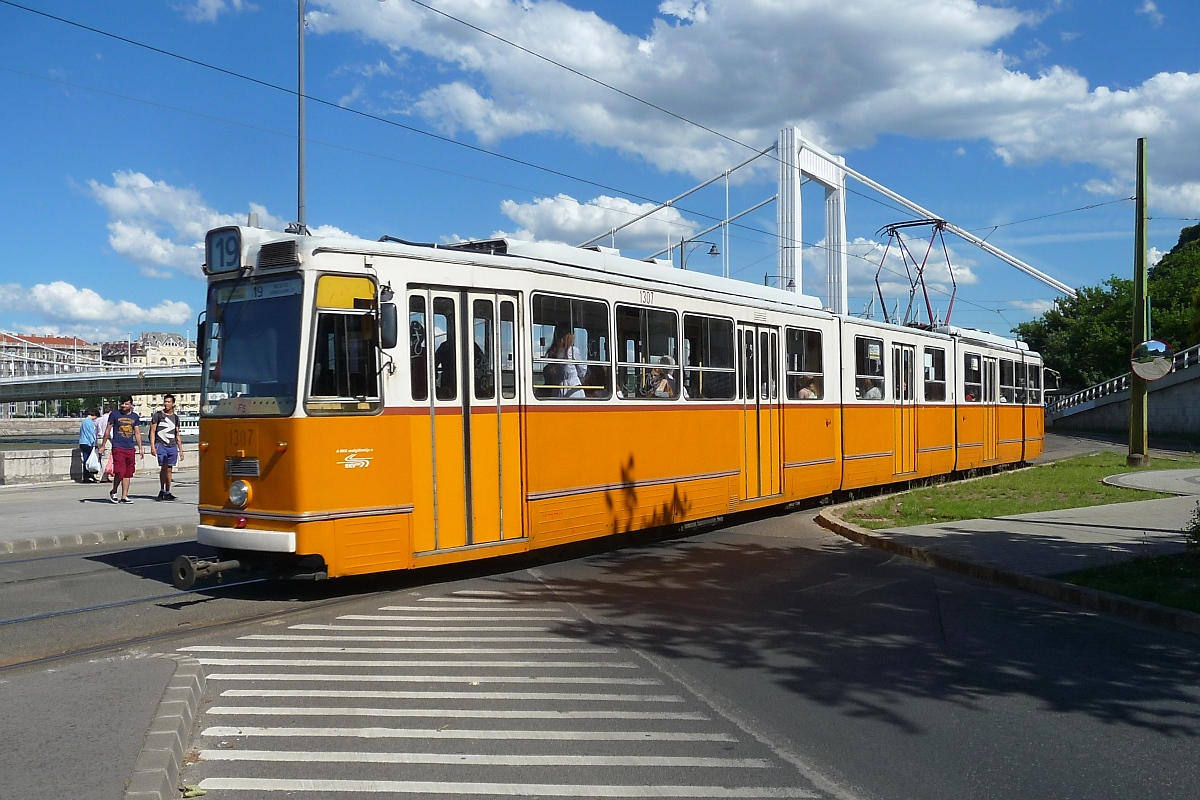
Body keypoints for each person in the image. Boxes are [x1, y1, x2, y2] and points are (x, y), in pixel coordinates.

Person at [99, 394, 143, 504]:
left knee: (128, 473)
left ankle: (124, 496)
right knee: (120, 472)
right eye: (122, 403)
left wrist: (140, 448)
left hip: (130, 448)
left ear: (131, 405)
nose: (124, 406)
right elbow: (108, 430)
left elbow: (137, 433)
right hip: (118, 447)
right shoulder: (114, 414)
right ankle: (114, 491)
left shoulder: (134, 417)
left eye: (126, 404)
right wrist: (103, 445)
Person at [150, 394, 182, 501]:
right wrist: (152, 446)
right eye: (165, 401)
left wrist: (181, 450)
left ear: (173, 404)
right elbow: (152, 431)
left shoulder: (175, 418)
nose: (166, 404)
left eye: (169, 402)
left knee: (169, 469)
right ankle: (162, 490)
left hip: (172, 446)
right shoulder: (158, 415)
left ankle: (168, 491)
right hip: (161, 444)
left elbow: (177, 434)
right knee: (163, 467)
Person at [546, 326, 587, 398]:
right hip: (572, 389)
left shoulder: (553, 352)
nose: (574, 336)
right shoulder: (573, 350)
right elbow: (582, 372)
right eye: (573, 333)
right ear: (568, 336)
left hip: (557, 390)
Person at [78, 408, 100, 483]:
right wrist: (94, 443)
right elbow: (91, 434)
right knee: (89, 460)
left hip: (82, 442)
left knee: (86, 460)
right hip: (88, 443)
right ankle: (89, 475)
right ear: (94, 415)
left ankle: (86, 477)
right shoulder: (90, 422)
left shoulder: (84, 421)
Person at [95, 403, 112, 484]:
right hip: (106, 440)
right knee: (106, 458)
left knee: (101, 457)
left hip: (99, 439)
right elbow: (110, 431)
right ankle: (101, 476)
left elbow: (95, 430)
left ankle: (104, 476)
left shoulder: (98, 419)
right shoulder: (109, 419)